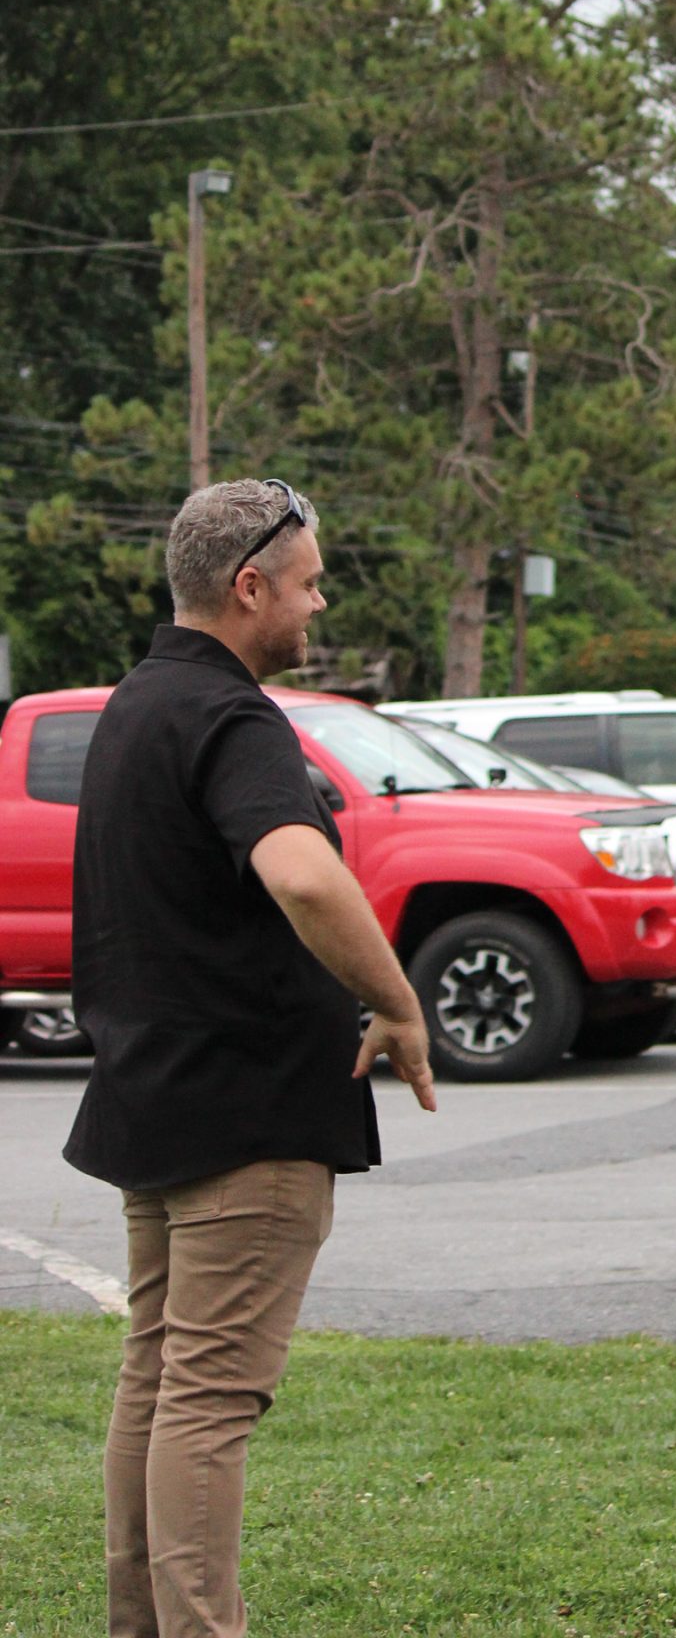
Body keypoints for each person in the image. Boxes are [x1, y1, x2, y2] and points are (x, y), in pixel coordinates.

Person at [64, 476, 437, 1638]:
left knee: (160, 1376)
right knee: (211, 1398)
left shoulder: (134, 705)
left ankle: (145, 1623)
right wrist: (397, 1000)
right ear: (247, 585)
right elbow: (306, 871)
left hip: (153, 1097)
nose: (318, 605)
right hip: (246, 1116)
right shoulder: (231, 717)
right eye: (311, 582)